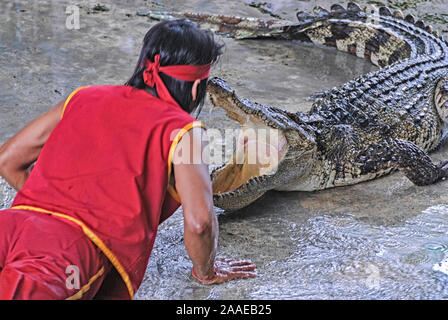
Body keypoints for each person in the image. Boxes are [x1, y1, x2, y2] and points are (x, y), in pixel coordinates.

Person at [0, 19, 256, 300]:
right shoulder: (183, 132)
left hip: (11, 224)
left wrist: (47, 202)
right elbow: (200, 224)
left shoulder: (83, 97)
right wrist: (206, 271)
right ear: (195, 89)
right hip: (63, 254)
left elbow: (7, 160)